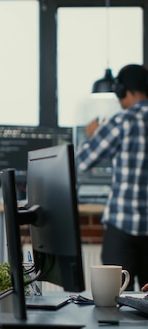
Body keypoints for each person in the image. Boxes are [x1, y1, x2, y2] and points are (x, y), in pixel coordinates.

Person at [76, 64, 148, 291]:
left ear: (122, 91)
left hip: (121, 229)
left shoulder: (122, 122)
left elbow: (83, 161)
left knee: (113, 304)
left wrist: (91, 135)